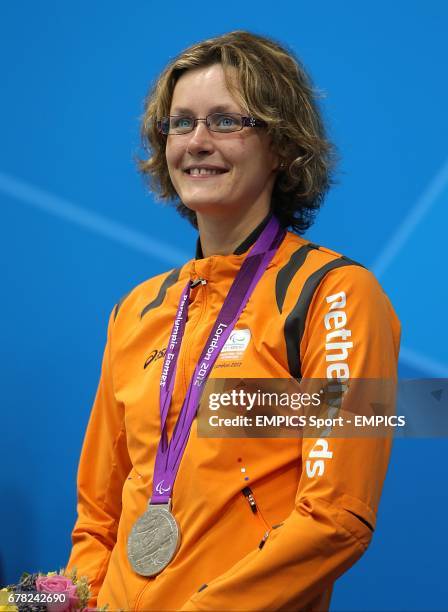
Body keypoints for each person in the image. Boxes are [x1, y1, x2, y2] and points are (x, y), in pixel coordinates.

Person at [66, 31, 401, 611]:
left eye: (226, 121)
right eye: (180, 123)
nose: (197, 142)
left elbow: (335, 517)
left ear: (281, 145)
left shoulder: (336, 294)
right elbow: (99, 520)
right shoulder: (136, 310)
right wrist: (55, 599)